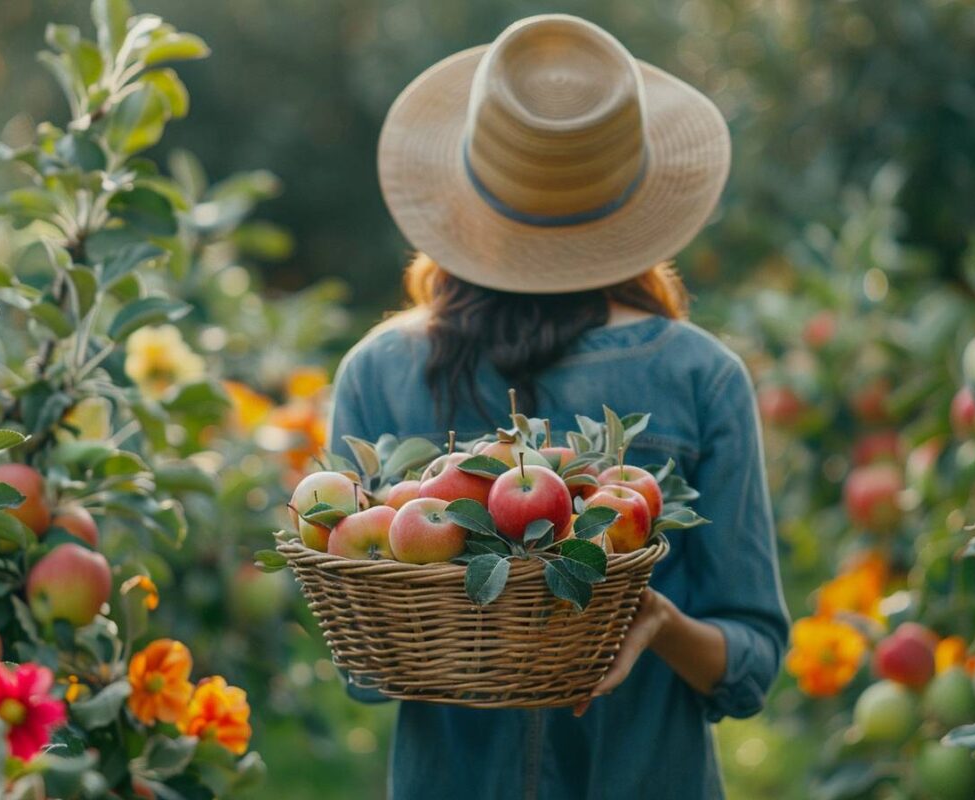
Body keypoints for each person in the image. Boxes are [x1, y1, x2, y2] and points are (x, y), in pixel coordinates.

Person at [329, 14, 788, 799]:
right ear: (631, 195)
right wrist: (662, 622)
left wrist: (435, 603)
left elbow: (368, 674)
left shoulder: (379, 370)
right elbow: (747, 667)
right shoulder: (700, 375)